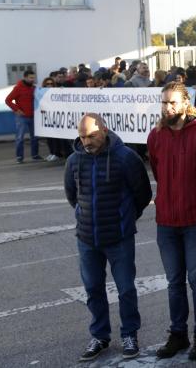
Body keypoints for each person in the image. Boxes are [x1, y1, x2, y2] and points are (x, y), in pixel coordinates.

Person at [147, 82, 196, 361]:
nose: (167, 108)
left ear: (185, 103)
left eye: (172, 103)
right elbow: (157, 170)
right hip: (166, 222)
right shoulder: (156, 136)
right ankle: (178, 334)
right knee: (174, 282)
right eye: (164, 103)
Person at [65, 114, 152, 362]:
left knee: (125, 289)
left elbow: (142, 194)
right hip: (86, 238)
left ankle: (130, 335)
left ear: (105, 130)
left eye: (92, 136)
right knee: (93, 289)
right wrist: (86, 217)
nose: (86, 141)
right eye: (82, 136)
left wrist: (125, 217)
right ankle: (100, 336)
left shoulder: (126, 158)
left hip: (119, 237)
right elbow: (72, 195)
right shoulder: (73, 160)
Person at [5, 69, 41, 163]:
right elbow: (8, 100)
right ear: (25, 77)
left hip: (33, 116)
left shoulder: (34, 88)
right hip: (22, 117)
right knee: (20, 137)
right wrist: (16, 110)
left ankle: (35, 155)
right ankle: (19, 157)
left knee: (35, 137)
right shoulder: (18, 88)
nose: (32, 79)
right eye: (30, 78)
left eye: (33, 77)